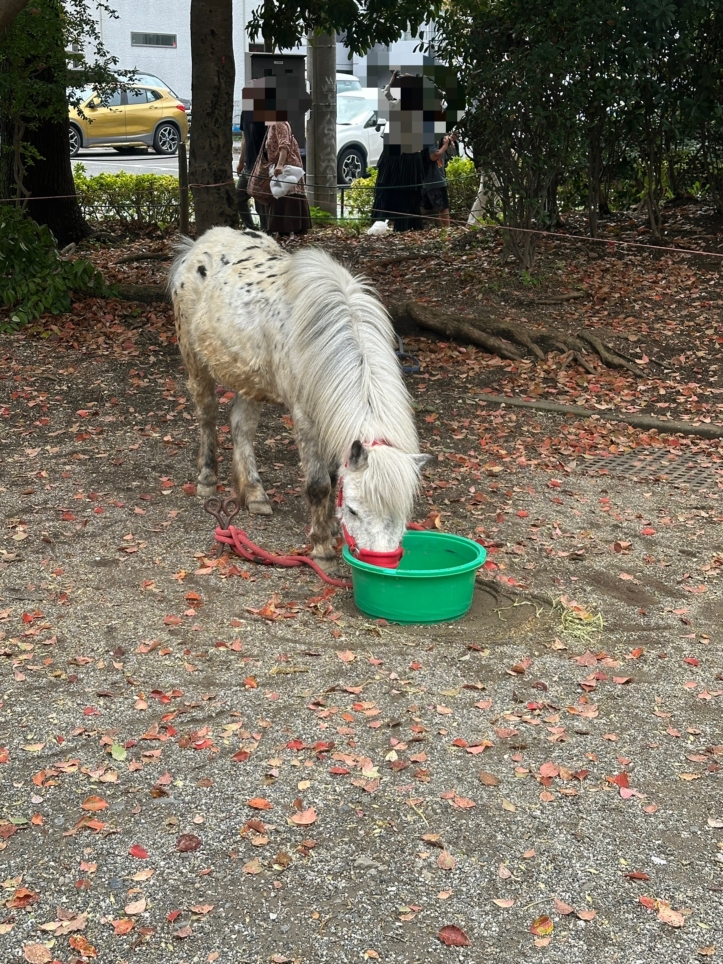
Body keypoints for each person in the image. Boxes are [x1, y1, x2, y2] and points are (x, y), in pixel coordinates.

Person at [370, 70, 425, 233]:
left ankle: (385, 223)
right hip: (408, 155)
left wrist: (392, 82)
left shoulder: (401, 105)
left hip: (397, 155)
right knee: (407, 193)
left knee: (389, 190)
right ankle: (405, 225)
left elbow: (382, 100)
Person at [264, 119, 312, 236]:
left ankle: (289, 234)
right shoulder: (272, 124)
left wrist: (280, 165)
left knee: (287, 200)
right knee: (282, 200)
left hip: (287, 170)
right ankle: (285, 234)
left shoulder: (279, 123)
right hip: (282, 170)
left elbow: (284, 145)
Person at [236, 107, 268, 231]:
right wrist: (241, 161)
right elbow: (244, 138)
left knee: (260, 202)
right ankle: (251, 229)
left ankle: (266, 232)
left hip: (261, 166)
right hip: (248, 165)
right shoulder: (245, 112)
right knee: (238, 198)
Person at [421, 133, 455, 228]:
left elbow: (449, 154)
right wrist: (445, 145)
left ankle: (442, 229)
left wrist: (448, 143)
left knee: (432, 208)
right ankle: (446, 230)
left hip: (433, 178)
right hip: (434, 179)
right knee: (443, 208)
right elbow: (434, 156)